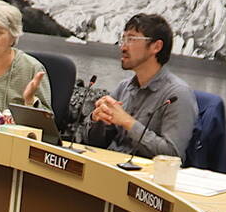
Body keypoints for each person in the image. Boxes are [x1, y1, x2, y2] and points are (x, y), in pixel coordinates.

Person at [81, 12, 194, 158]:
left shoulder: (178, 94)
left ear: (156, 46)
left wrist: (128, 122)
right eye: (123, 39)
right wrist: (97, 121)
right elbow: (94, 143)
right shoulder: (124, 87)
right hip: (109, 166)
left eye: (132, 39)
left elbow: (172, 155)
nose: (123, 47)